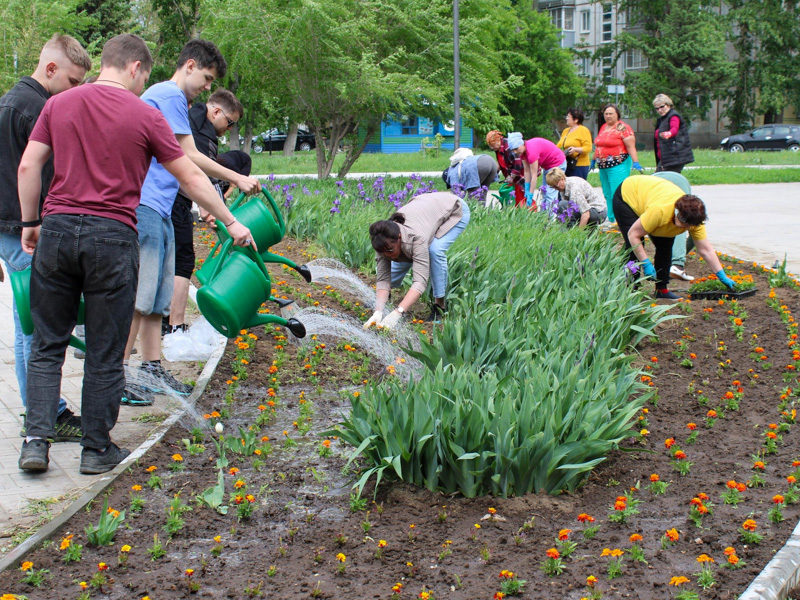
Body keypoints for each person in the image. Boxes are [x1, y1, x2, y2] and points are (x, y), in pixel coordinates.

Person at [17, 33, 255, 474]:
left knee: (48, 344)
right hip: (112, 236)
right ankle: (94, 450)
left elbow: (30, 165)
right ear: (136, 69)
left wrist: (31, 224)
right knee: (106, 350)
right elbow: (189, 176)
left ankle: (35, 443)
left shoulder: (59, 105)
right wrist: (231, 220)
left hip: (58, 231)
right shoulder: (143, 113)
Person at [122, 39, 261, 404]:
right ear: (189, 65)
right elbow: (190, 157)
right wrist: (235, 182)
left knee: (155, 299)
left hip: (163, 207)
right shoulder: (168, 94)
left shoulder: (175, 101)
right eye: (207, 77)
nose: (208, 87)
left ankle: (151, 367)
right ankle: (118, 376)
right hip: (147, 203)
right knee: (140, 297)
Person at [0, 35, 91, 442]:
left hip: (10, 231)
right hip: (26, 233)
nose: (76, 91)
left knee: (27, 327)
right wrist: (33, 223)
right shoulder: (38, 108)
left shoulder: (8, 101)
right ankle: (45, 414)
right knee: (36, 328)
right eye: (73, 81)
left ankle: (39, 411)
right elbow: (39, 174)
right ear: (50, 69)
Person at [167, 90, 247, 334]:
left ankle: (165, 319)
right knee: (182, 260)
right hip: (173, 201)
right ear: (216, 112)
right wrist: (213, 211)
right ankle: (174, 326)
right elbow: (198, 176)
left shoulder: (198, 124)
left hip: (169, 200)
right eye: (229, 122)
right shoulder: (201, 135)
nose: (228, 129)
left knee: (170, 261)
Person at [613, 175, 735, 300]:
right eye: (684, 224)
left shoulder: (694, 219)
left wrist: (721, 275)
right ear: (677, 214)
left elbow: (705, 249)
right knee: (636, 245)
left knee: (665, 245)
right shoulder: (660, 211)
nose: (686, 228)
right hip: (628, 195)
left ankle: (661, 289)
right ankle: (630, 287)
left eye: (690, 226)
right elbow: (633, 235)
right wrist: (645, 262)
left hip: (652, 195)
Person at [363, 192, 470, 327]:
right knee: (401, 257)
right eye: (383, 253)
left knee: (434, 251)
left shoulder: (416, 239)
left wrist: (398, 312)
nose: (387, 255)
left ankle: (440, 306)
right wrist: (378, 311)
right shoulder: (382, 241)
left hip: (452, 209)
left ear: (399, 238)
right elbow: (383, 279)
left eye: (390, 250)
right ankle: (383, 301)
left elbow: (420, 282)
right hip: (425, 206)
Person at [591, 104, 644, 223]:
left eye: (611, 114)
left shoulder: (623, 128)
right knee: (607, 192)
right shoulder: (604, 127)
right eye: (606, 114)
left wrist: (636, 162)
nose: (608, 116)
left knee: (617, 192)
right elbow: (599, 145)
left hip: (618, 165)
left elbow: (630, 146)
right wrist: (593, 160)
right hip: (603, 166)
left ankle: (621, 219)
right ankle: (611, 218)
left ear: (617, 114)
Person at [506, 133, 566, 212]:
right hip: (547, 166)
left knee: (550, 194)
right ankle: (543, 218)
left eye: (516, 148)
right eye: (513, 150)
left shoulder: (531, 152)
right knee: (545, 193)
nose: (515, 152)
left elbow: (534, 176)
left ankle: (550, 221)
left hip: (557, 163)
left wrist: (530, 194)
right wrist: (526, 188)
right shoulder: (522, 153)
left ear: (522, 143)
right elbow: (527, 171)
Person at [653, 94, 694, 174]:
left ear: (668, 105)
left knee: (665, 180)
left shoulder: (673, 116)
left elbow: (674, 129)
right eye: (657, 108)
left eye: (662, 107)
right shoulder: (663, 119)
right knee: (660, 179)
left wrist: (669, 133)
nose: (660, 110)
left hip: (675, 157)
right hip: (665, 158)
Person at [485, 130, 525, 206]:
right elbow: (501, 163)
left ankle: (529, 213)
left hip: (521, 175)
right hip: (512, 176)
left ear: (498, 140)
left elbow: (518, 164)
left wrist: (511, 177)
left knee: (522, 198)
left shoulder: (509, 145)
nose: (491, 147)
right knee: (514, 199)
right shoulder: (498, 149)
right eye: (490, 145)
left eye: (492, 145)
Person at [556, 108, 592, 180]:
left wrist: (575, 149)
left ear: (576, 120)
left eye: (569, 117)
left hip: (579, 165)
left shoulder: (583, 130)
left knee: (577, 188)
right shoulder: (566, 131)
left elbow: (588, 148)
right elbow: (559, 145)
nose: (566, 118)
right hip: (567, 163)